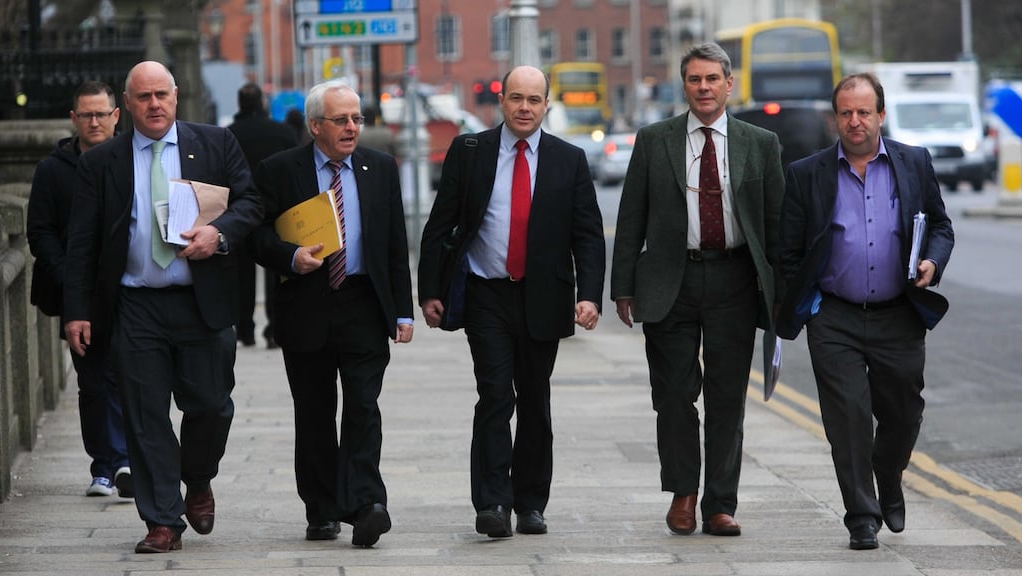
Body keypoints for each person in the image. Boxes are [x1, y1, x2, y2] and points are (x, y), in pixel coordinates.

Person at [63, 61, 263, 553]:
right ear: (126, 105)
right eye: (144, 97)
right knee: (144, 414)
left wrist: (218, 234)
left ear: (176, 98)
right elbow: (82, 244)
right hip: (135, 306)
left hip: (202, 302)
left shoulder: (215, 144)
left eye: (162, 95)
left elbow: (251, 203)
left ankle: (197, 477)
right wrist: (77, 311)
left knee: (212, 407)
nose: (154, 105)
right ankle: (162, 520)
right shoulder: (101, 163)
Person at [418, 65, 605, 538]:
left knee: (536, 401)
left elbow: (587, 235)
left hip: (544, 296)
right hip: (487, 294)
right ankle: (493, 503)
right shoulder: (471, 151)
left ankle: (531, 502)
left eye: (534, 100)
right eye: (516, 98)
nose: (525, 108)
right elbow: (440, 224)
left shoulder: (569, 159)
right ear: (501, 101)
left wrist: (589, 296)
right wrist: (430, 291)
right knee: (495, 395)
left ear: (547, 105)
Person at [610, 42, 784, 538]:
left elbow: (776, 226)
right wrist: (623, 286)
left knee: (728, 396)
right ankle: (683, 491)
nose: (704, 88)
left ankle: (720, 504)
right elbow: (631, 217)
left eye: (713, 79)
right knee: (672, 393)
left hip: (735, 279)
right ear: (683, 85)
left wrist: (779, 291)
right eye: (694, 80)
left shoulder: (760, 143)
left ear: (730, 85)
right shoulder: (653, 140)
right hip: (671, 279)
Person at [775, 73, 954, 550]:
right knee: (848, 417)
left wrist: (932, 262)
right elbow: (788, 251)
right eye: (845, 113)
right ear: (835, 118)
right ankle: (862, 515)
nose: (854, 122)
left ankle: (888, 476)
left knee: (903, 414)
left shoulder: (913, 162)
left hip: (899, 312)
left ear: (881, 114)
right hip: (835, 316)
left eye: (863, 112)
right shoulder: (807, 173)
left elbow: (940, 225)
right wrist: (809, 306)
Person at [249, 80, 414, 548]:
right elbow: (255, 236)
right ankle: (321, 511)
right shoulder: (280, 170)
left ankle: (366, 504)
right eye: (341, 119)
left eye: (357, 119)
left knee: (364, 406)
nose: (351, 127)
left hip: (363, 303)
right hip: (307, 302)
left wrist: (402, 310)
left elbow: (394, 243)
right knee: (316, 413)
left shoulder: (379, 167)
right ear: (315, 125)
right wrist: (289, 257)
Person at [26, 80, 132, 499]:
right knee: (92, 382)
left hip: (128, 291)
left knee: (125, 377)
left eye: (101, 114)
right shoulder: (52, 170)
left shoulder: (131, 160)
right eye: (86, 115)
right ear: (73, 119)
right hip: (77, 294)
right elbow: (40, 232)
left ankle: (125, 458)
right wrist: (71, 275)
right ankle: (104, 465)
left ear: (115, 116)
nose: (94, 122)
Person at [227, 82, 298, 349]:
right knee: (276, 271)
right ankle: (274, 329)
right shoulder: (282, 133)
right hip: (277, 210)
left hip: (239, 209)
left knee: (241, 275)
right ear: (262, 103)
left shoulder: (230, 135)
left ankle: (244, 328)